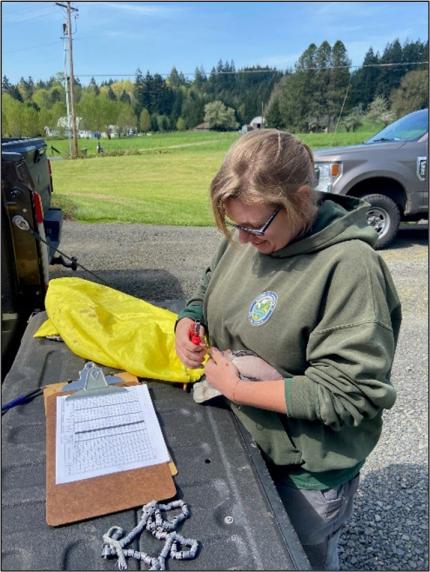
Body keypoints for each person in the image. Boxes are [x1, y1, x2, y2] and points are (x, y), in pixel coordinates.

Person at [174, 129, 401, 570]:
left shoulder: (350, 269)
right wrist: (190, 318)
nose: (243, 241)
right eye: (234, 226)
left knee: (301, 558)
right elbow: (209, 283)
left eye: (254, 226)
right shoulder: (251, 231)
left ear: (300, 198)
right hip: (250, 441)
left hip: (308, 471)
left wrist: (238, 389)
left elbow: (351, 394)